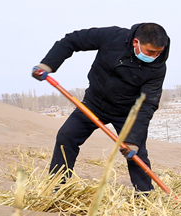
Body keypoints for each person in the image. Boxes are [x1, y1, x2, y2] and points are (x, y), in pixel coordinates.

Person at [32, 23, 169, 194]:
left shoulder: (158, 67)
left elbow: (147, 104)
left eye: (159, 52)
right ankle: (56, 188)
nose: (155, 56)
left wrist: (132, 140)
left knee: (136, 154)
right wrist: (48, 64)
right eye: (150, 52)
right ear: (136, 42)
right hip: (95, 103)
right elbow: (72, 41)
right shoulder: (112, 36)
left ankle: (145, 197)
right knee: (67, 136)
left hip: (127, 113)